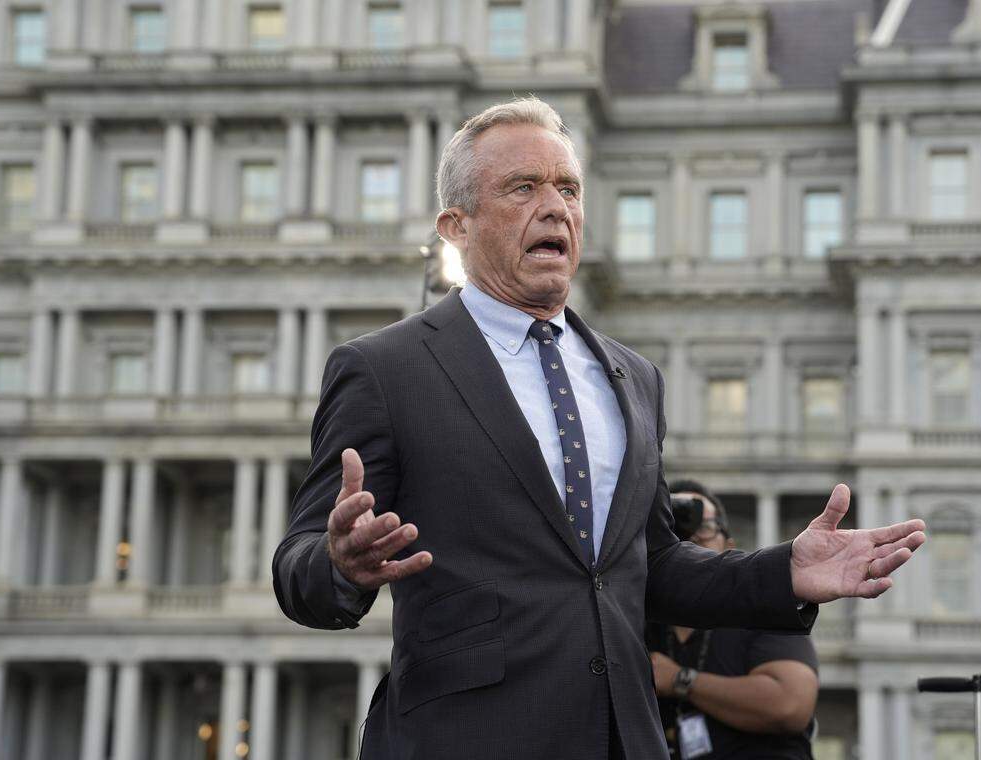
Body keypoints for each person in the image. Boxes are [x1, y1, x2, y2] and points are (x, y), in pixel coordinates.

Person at [272, 97, 926, 760]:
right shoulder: (384, 369)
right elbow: (297, 569)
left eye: (569, 189)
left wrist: (784, 571)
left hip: (624, 737)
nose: (555, 207)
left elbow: (657, 566)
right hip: (464, 738)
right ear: (457, 226)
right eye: (523, 187)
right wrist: (340, 565)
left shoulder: (633, 377)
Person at [648, 480, 819, 760]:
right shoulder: (636, 619)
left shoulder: (758, 607)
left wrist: (681, 680)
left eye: (703, 527)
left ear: (728, 546)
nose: (688, 539)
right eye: (674, 528)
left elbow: (790, 704)